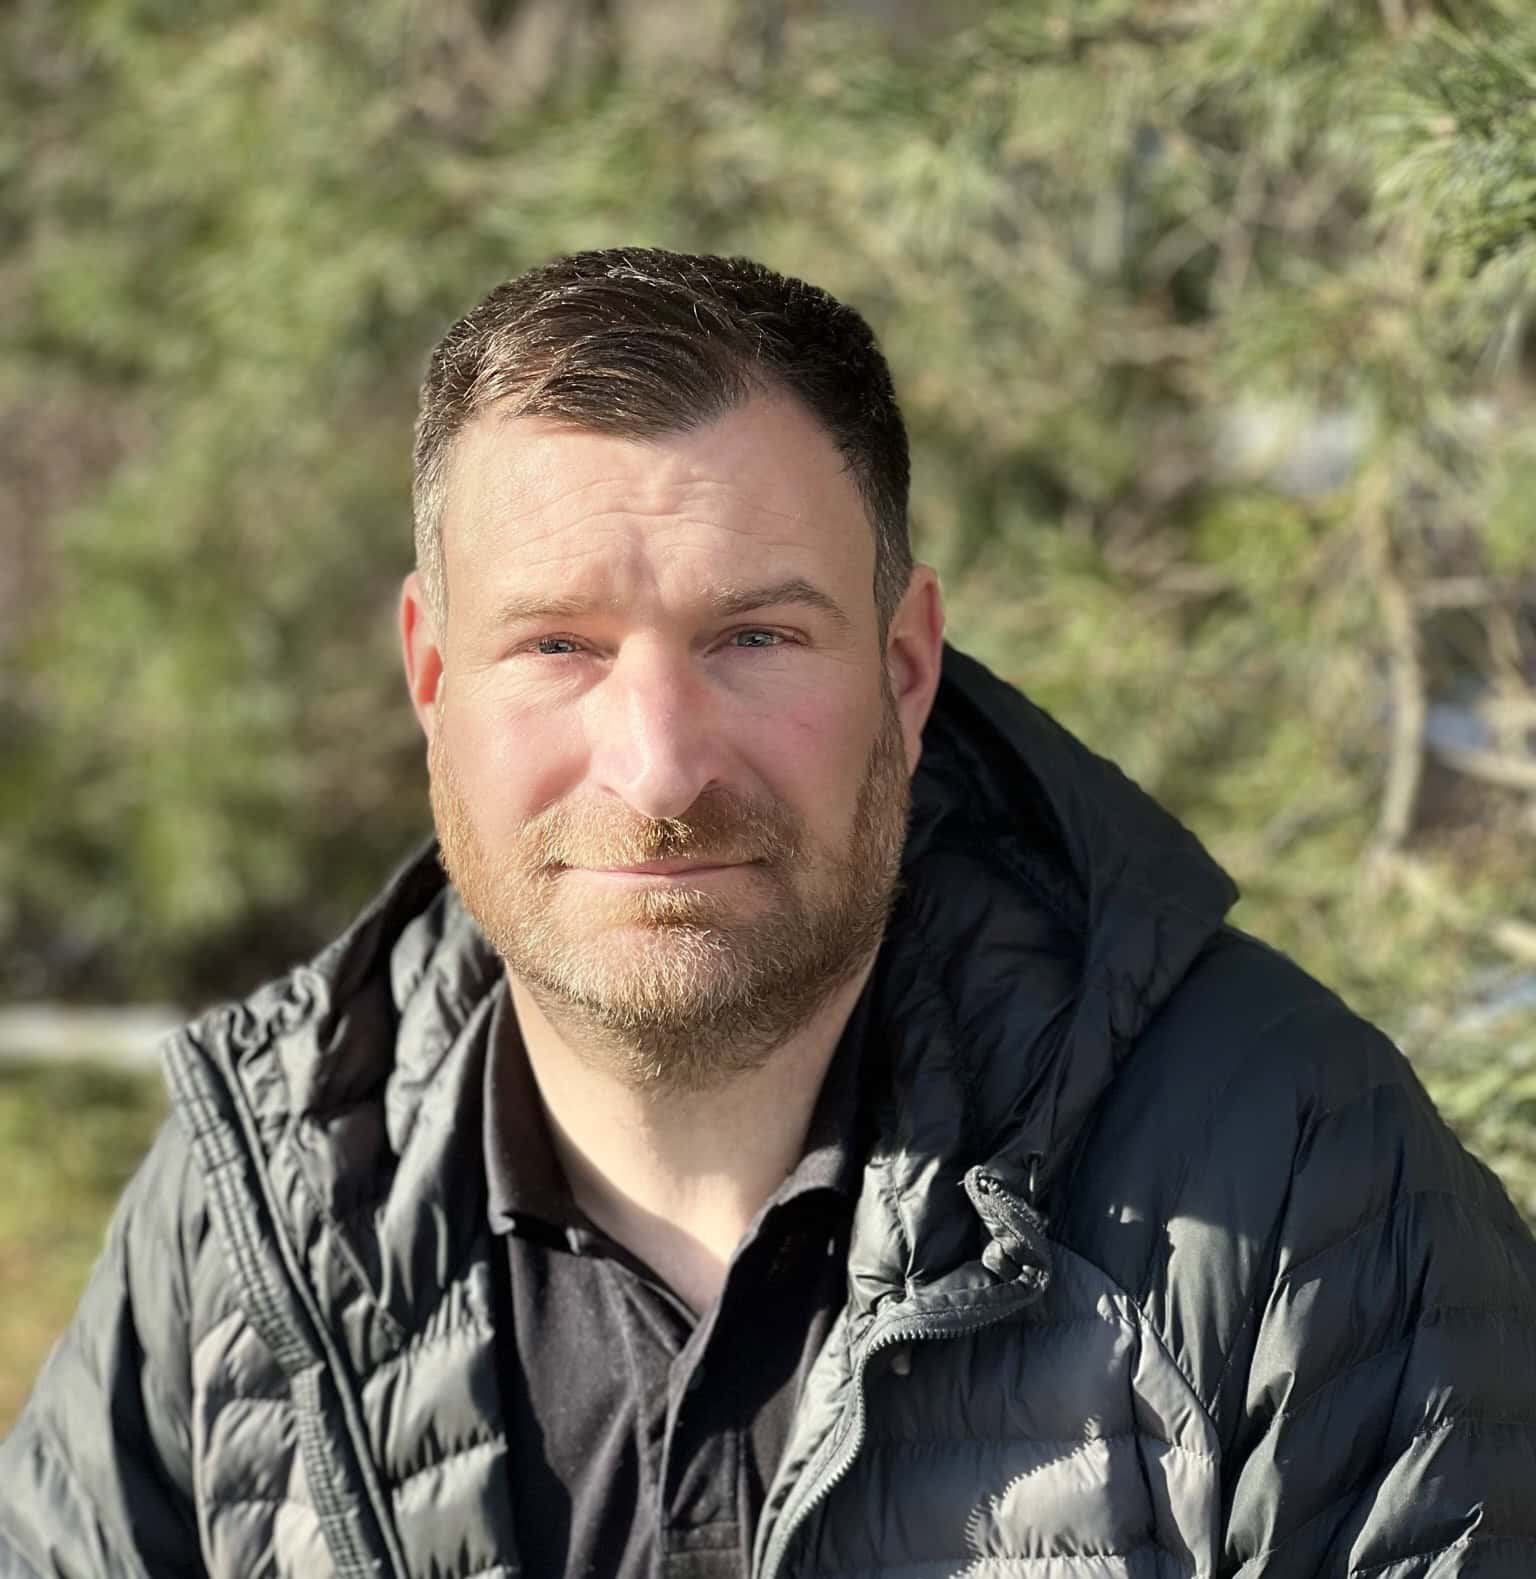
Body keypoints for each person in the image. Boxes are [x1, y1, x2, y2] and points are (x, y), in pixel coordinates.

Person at [2, 248, 1534, 1579]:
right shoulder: (253, 1212)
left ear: (905, 672)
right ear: (430, 674)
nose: (659, 763)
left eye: (755, 636)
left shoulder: (1297, 1173)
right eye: (557, 645)